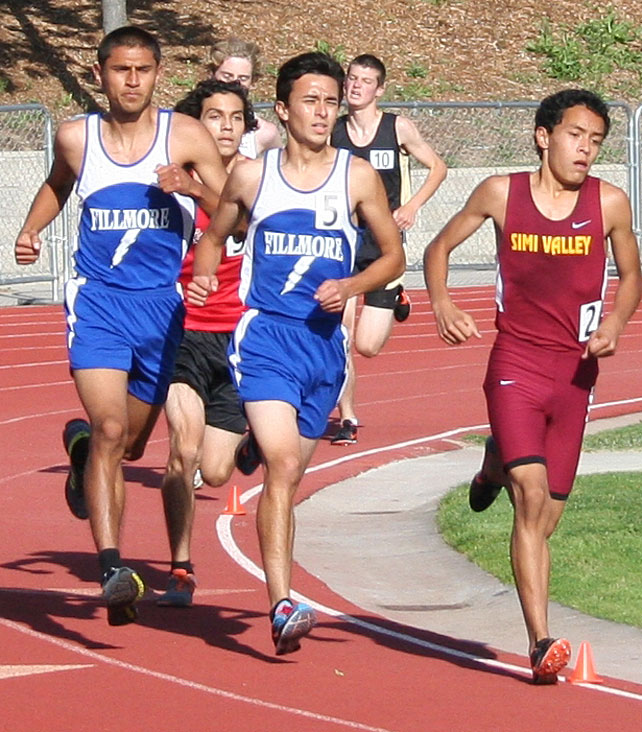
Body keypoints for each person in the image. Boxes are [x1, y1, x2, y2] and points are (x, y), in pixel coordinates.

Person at [423, 89, 642, 683]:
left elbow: (632, 278)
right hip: (516, 364)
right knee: (530, 495)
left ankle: (492, 463)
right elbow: (437, 247)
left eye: (596, 141)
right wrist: (442, 302)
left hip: (576, 374)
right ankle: (541, 642)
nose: (587, 150)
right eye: (577, 135)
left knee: (548, 516)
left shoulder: (610, 203)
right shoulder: (502, 194)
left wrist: (616, 323)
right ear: (544, 135)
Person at [189, 52, 404, 654]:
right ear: (283, 110)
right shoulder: (254, 176)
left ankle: (260, 442)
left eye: (331, 101)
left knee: (289, 473)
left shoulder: (356, 176)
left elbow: (392, 255)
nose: (322, 111)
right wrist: (204, 276)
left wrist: (354, 286)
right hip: (265, 338)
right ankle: (282, 602)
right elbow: (214, 237)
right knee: (282, 466)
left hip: (324, 351)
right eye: (310, 100)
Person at [13, 26, 227, 625]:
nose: (132, 81)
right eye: (120, 70)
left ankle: (83, 454)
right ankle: (112, 566)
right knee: (110, 428)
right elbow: (58, 185)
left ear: (159, 74)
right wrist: (31, 230)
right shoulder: (77, 138)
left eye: (143, 70)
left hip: (162, 305)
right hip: (98, 299)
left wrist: (192, 185)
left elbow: (232, 212)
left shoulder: (185, 135)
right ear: (100, 73)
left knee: (129, 443)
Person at [154, 79, 259, 608]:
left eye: (235, 117)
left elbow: (241, 219)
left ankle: (250, 440)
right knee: (183, 449)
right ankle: (181, 565)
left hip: (239, 339)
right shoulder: (170, 179)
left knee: (217, 471)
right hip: (184, 332)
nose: (224, 125)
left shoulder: (261, 181)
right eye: (213, 116)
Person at [328, 54, 447, 445]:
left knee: (367, 345)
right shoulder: (334, 131)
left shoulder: (397, 128)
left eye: (365, 81)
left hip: (384, 247)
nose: (355, 87)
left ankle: (396, 293)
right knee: (341, 336)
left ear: (379, 89)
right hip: (344, 243)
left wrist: (411, 207)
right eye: (351, 79)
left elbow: (438, 167)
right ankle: (347, 417)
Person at [209, 37, 281, 158]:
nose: (235, 83)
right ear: (211, 74)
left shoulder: (263, 132)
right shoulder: (190, 121)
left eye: (243, 78)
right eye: (227, 76)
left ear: (252, 82)